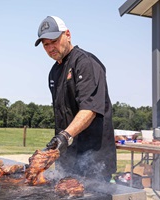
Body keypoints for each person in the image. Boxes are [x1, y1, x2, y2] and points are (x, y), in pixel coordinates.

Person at [35, 16, 116, 182]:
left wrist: (64, 137)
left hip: (93, 160)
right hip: (67, 158)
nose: (51, 48)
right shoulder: (54, 72)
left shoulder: (85, 63)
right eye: (46, 45)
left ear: (68, 34)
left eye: (54, 41)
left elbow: (90, 109)